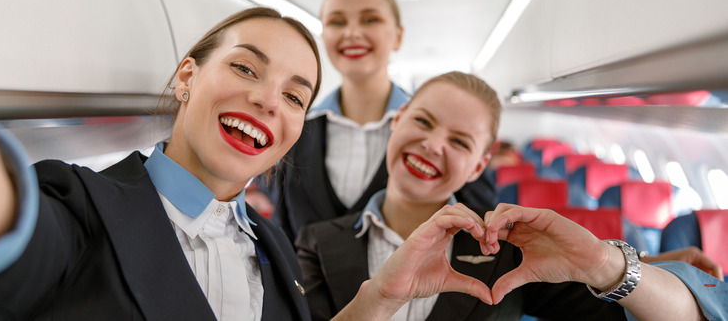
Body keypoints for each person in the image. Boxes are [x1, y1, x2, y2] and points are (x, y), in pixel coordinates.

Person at [0, 7, 491, 321]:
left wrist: (383, 294)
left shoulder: (274, 247)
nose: (268, 101)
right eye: (246, 69)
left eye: (295, 97)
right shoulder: (80, 206)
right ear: (186, 78)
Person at [296, 72, 726, 321]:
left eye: (460, 142)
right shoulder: (315, 241)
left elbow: (650, 316)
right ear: (397, 121)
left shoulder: (508, 246)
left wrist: (612, 263)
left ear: (480, 166)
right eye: (423, 122)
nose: (433, 145)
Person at [255, 0, 496, 243]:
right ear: (324, 36)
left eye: (370, 20)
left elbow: (478, 227)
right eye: (337, 22)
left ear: (398, 36)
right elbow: (284, 232)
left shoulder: (439, 138)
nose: (352, 33)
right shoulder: (295, 128)